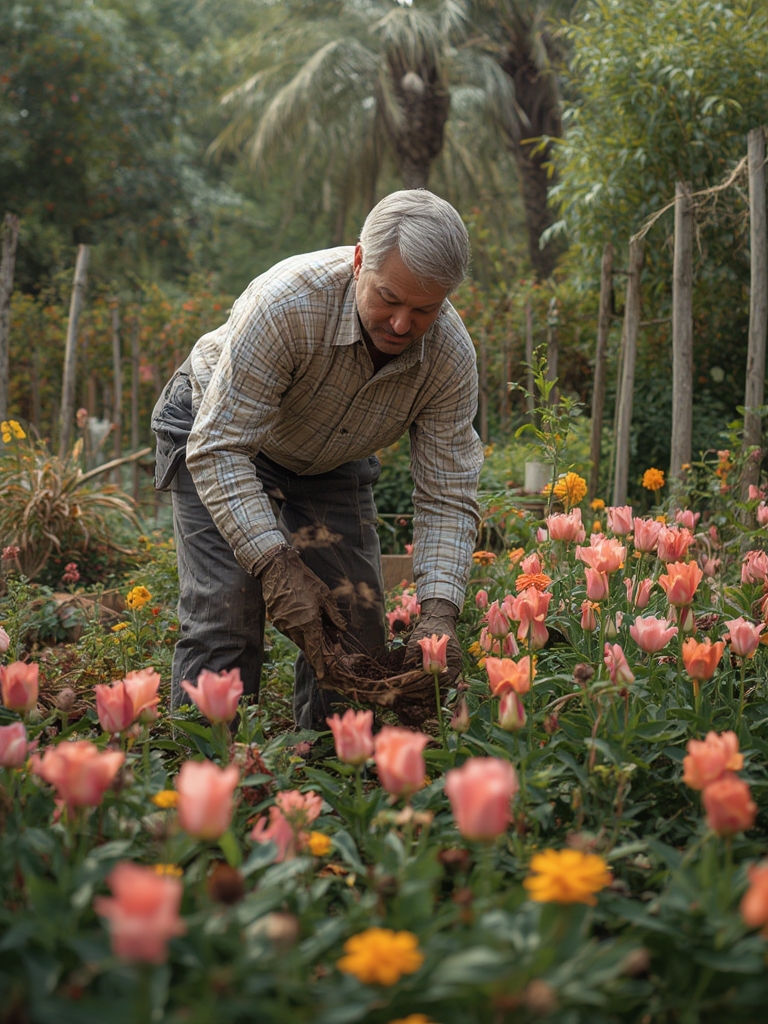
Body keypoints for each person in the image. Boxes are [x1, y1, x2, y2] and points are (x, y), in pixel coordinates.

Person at [151, 189, 484, 728]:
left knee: (356, 623)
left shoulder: (449, 356)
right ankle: (204, 784)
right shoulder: (286, 305)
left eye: (424, 309)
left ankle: (331, 773)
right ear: (359, 262)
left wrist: (440, 610)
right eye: (388, 298)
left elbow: (446, 492)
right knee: (228, 616)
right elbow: (220, 447)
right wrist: (276, 564)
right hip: (218, 434)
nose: (401, 324)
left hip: (331, 458)